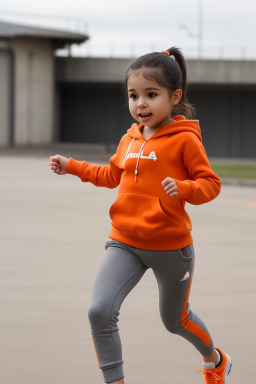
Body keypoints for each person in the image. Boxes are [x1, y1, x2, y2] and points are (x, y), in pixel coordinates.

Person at [49, 47, 232, 384]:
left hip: (171, 249)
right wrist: (72, 166)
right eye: (134, 95)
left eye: (151, 94)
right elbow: (110, 176)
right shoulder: (129, 139)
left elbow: (211, 184)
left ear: (174, 97)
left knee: (175, 321)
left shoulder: (185, 141)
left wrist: (185, 188)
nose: (141, 104)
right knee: (99, 312)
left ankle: (215, 359)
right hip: (125, 242)